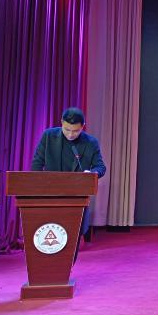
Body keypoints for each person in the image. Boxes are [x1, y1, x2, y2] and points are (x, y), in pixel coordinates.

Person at [30, 107, 107, 254]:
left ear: (83, 127)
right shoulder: (48, 136)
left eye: (76, 131)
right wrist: (38, 187)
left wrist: (92, 173)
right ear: (61, 122)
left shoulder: (91, 142)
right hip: (50, 194)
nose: (71, 134)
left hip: (77, 197)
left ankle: (68, 265)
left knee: (72, 238)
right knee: (50, 234)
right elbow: (37, 163)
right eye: (67, 129)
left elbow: (100, 167)